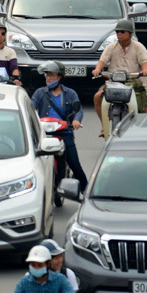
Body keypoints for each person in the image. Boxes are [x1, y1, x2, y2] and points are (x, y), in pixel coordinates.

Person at [30, 62, 87, 196]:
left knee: (74, 164)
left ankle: (87, 191)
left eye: (52, 75)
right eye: (47, 75)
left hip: (64, 132)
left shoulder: (70, 93)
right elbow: (31, 109)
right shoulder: (39, 93)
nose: (49, 78)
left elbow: (78, 111)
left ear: (60, 77)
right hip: (44, 134)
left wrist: (76, 120)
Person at [91, 19, 147, 137]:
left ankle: (145, 131)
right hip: (113, 83)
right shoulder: (111, 47)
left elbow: (145, 62)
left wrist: (145, 70)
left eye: (122, 32)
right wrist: (97, 69)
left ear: (130, 33)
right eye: (117, 32)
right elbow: (102, 61)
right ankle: (104, 125)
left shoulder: (139, 47)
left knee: (145, 105)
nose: (119, 34)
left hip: (134, 82)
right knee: (97, 97)